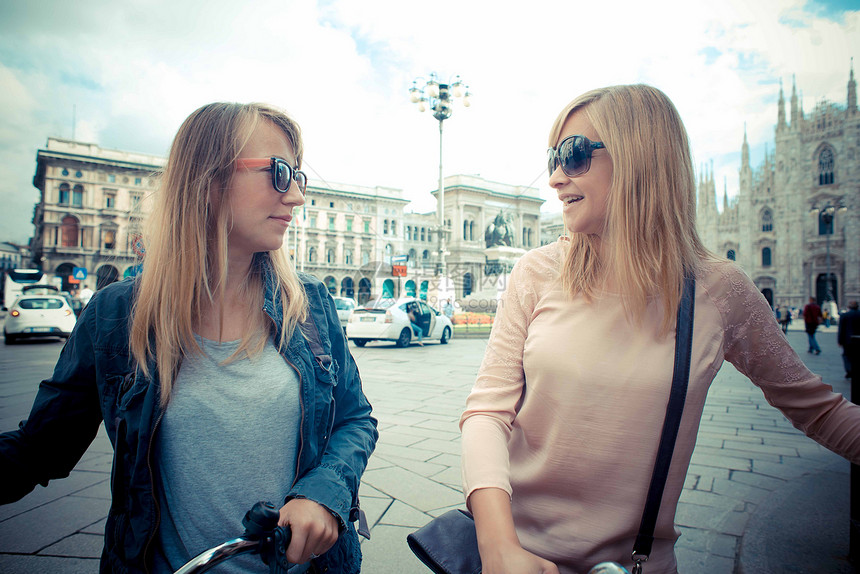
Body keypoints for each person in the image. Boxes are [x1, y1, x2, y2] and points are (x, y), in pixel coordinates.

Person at [459, 84, 860, 574]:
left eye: (574, 155)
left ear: (639, 158)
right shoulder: (537, 272)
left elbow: (819, 410)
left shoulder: (717, 290)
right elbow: (486, 411)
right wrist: (498, 546)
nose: (556, 178)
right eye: (553, 158)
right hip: (514, 558)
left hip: (635, 566)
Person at [0, 102, 378, 574]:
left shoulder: (311, 306)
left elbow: (355, 419)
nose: (297, 197)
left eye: (299, 178)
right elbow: (40, 448)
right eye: (280, 173)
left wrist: (323, 492)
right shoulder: (117, 315)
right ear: (208, 177)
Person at [838, 301, 860, 378]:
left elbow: (841, 330)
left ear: (849, 307)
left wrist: (839, 341)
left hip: (848, 340)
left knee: (846, 355)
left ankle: (849, 370)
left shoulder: (845, 315)